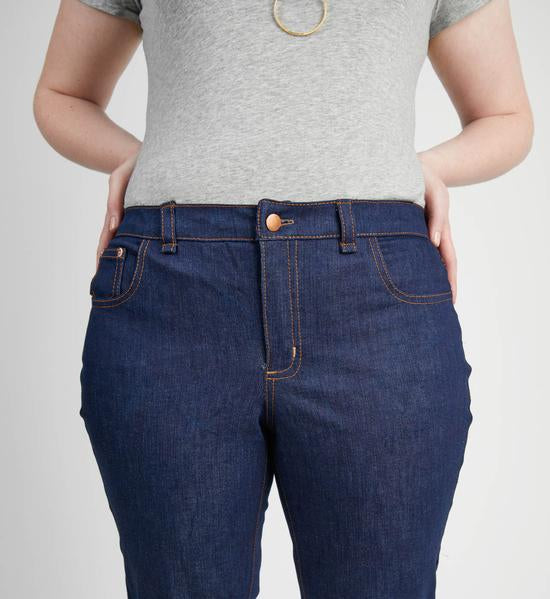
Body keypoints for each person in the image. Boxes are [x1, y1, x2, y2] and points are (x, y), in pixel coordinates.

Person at [34, 1, 532, 597]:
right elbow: (63, 93)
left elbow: (505, 115)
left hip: (374, 299)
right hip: (173, 289)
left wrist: (426, 167)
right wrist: (132, 156)